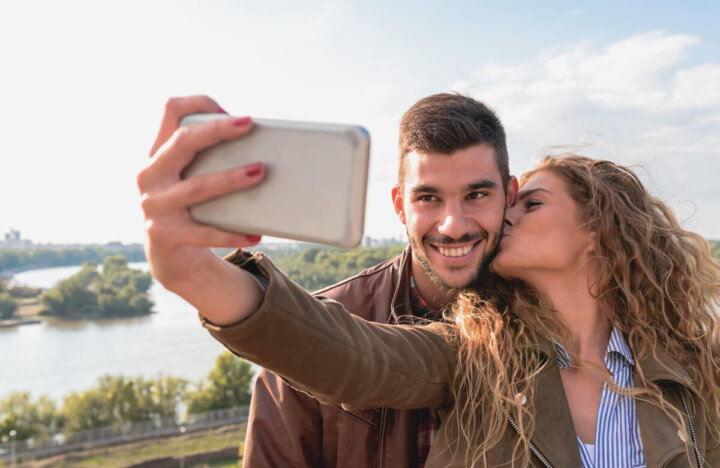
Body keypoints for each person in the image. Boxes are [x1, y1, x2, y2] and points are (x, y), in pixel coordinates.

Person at [142, 147, 720, 464]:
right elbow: (350, 355)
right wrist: (195, 272)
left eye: (531, 203)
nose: (501, 216)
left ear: (597, 230)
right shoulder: (472, 353)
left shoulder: (690, 366)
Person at [138, 93, 518, 467]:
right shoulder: (306, 336)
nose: (453, 226)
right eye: (428, 198)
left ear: (510, 196)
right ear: (400, 207)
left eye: (477, 194)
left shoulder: (549, 320)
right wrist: (193, 271)